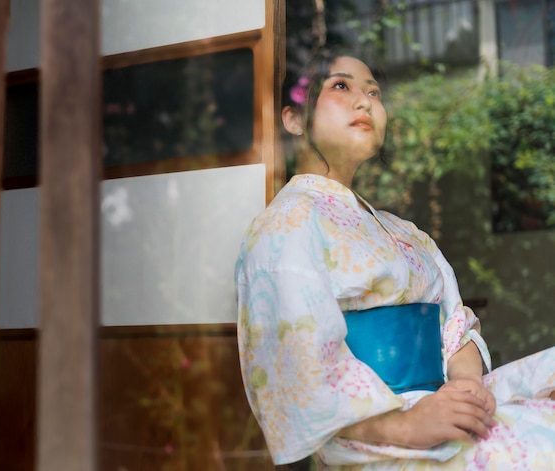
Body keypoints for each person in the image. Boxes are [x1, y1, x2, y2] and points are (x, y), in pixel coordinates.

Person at [234, 48, 555, 470]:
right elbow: (301, 366)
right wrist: (406, 425)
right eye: (341, 86)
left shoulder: (404, 231)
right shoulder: (285, 225)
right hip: (374, 433)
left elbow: (454, 325)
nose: (365, 101)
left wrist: (464, 387)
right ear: (292, 119)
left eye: (374, 91)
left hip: (442, 401)